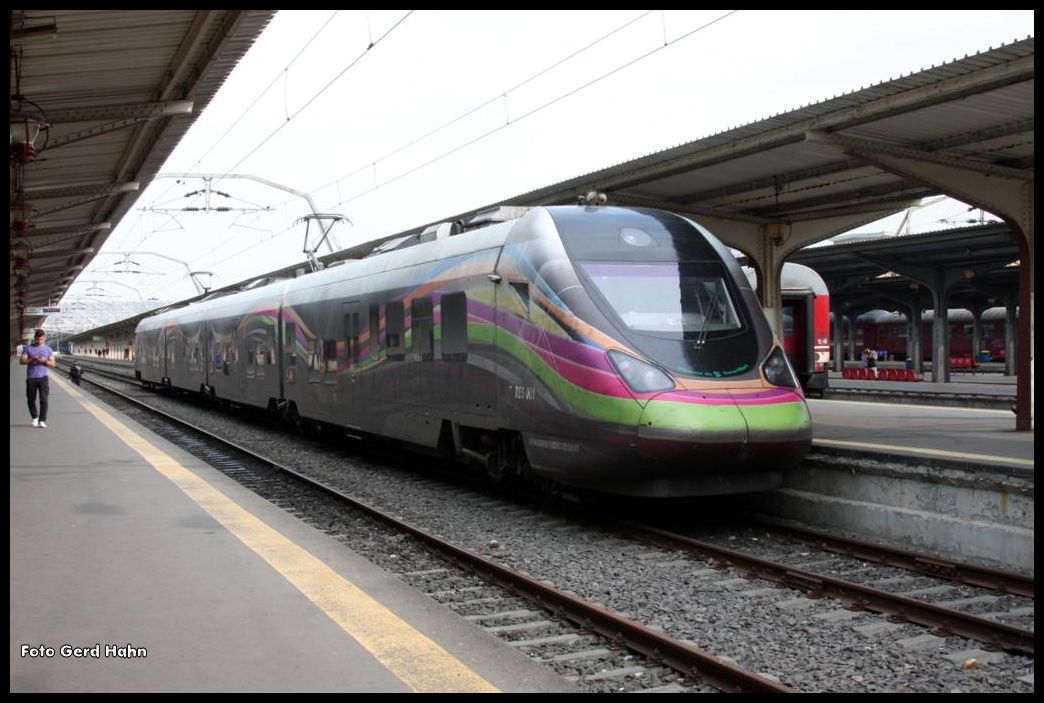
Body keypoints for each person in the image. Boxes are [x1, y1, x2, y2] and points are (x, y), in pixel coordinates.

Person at [20, 328, 56, 428]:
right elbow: (22, 361)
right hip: (31, 377)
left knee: (44, 399)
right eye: (37, 339)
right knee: (31, 399)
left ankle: (42, 420)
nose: (39, 341)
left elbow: (53, 364)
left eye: (41, 339)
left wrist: (44, 361)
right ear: (34, 338)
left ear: (44, 339)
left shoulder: (48, 349)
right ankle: (35, 417)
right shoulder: (28, 348)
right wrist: (32, 359)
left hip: (43, 377)